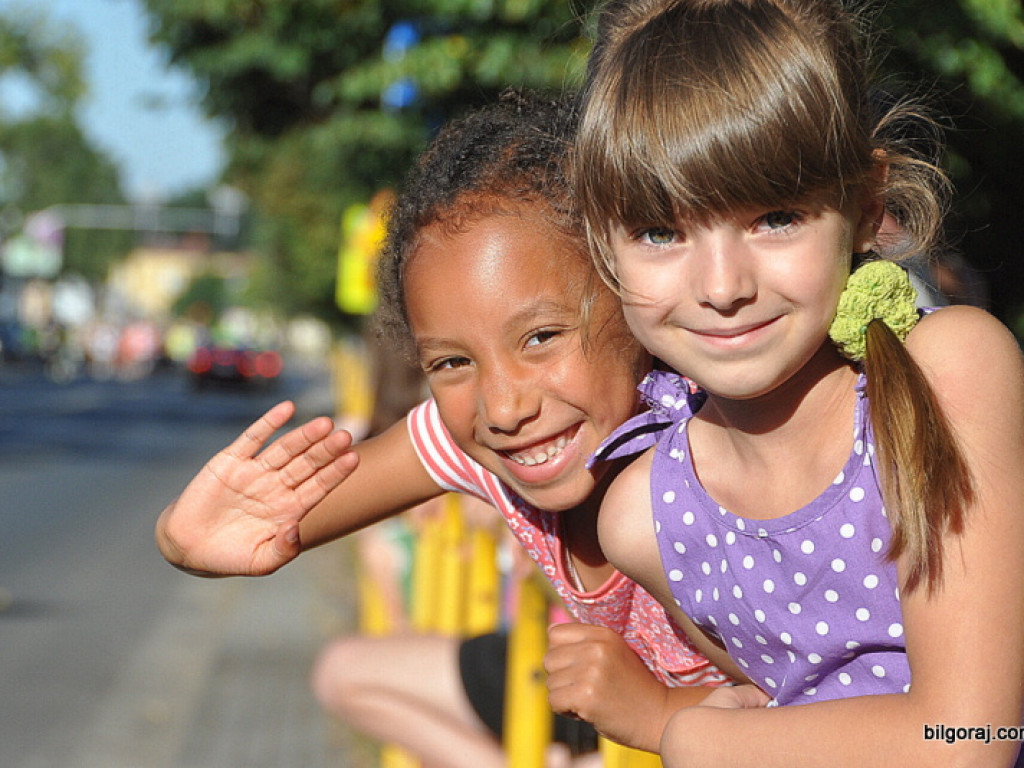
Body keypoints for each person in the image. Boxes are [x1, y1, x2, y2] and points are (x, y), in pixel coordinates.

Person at [155, 90, 730, 767]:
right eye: (452, 362)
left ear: (633, 295)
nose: (503, 407)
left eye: (541, 337)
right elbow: (271, 520)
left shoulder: (716, 452)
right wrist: (185, 537)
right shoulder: (481, 443)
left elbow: (815, 703)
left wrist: (660, 714)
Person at [570, 0, 1024, 765]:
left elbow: (972, 739)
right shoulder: (645, 519)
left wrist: (692, 736)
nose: (722, 286)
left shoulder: (945, 372)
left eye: (775, 217)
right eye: (659, 231)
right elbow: (796, 718)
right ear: (601, 242)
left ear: (865, 205)